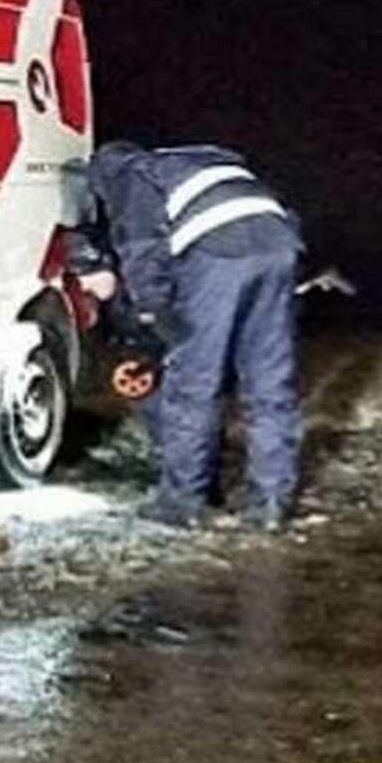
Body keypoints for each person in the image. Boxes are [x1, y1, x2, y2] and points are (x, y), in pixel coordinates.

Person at [71, 140, 305, 529]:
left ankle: (181, 503)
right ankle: (270, 502)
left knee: (193, 382)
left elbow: (142, 244)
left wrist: (152, 307)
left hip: (218, 252)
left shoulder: (130, 174)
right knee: (269, 384)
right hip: (278, 243)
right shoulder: (192, 165)